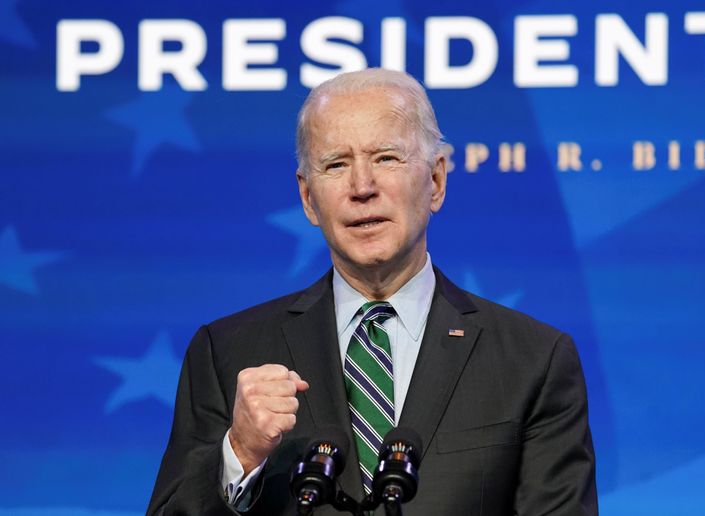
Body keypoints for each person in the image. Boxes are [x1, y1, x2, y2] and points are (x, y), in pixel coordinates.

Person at [147, 68, 597, 515]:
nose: (362, 188)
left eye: (386, 158)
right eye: (336, 165)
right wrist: (241, 453)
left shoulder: (532, 360)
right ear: (307, 199)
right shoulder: (227, 353)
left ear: (436, 180)